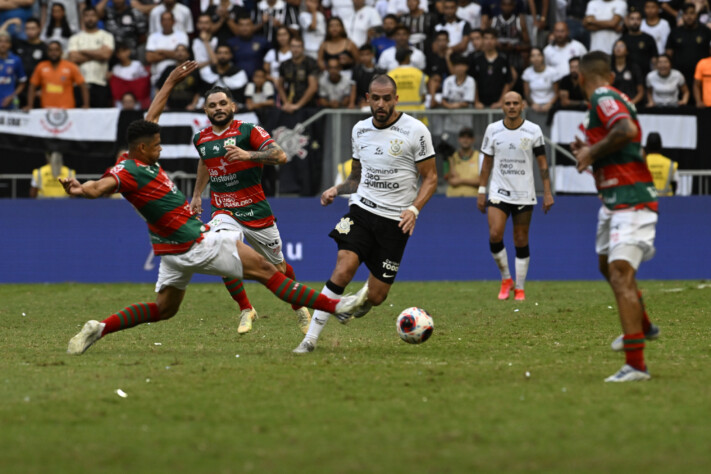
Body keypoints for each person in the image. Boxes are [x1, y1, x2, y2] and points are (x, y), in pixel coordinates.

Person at [62, 62, 369, 355]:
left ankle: (99, 328)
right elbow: (100, 186)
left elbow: (152, 115)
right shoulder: (127, 171)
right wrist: (81, 189)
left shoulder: (141, 153)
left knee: (163, 309)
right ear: (143, 148)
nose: (162, 148)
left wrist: (170, 81)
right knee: (266, 272)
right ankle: (337, 307)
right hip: (194, 242)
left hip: (171, 251)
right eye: (157, 145)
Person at [292, 74, 438, 354]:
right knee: (343, 267)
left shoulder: (416, 131)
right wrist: (337, 188)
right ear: (367, 99)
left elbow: (430, 178)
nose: (381, 104)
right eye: (376, 98)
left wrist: (414, 209)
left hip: (396, 221)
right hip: (361, 209)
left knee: (378, 296)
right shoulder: (359, 130)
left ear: (396, 99)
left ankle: (359, 301)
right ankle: (309, 340)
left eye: (387, 98)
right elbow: (355, 179)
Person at [187, 83, 314, 335]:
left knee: (279, 268)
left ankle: (298, 307)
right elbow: (205, 162)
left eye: (223, 103)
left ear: (233, 106)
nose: (219, 108)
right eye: (212, 105)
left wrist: (248, 155)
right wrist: (197, 195)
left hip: (256, 211)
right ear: (205, 110)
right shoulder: (200, 138)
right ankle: (246, 308)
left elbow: (280, 156)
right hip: (224, 209)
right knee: (221, 250)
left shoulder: (249, 131)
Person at [571, 51, 660, 382]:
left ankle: (636, 364)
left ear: (581, 77)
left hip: (631, 199)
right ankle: (644, 325)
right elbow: (616, 139)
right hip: (613, 201)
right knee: (605, 265)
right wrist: (588, 149)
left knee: (621, 274)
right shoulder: (608, 97)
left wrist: (591, 151)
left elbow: (625, 129)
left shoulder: (602, 95)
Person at [477, 91, 554, 301]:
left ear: (522, 106)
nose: (511, 107)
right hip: (498, 191)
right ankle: (506, 278)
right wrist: (481, 190)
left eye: (515, 103)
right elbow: (486, 164)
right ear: (502, 106)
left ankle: (519, 287)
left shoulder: (533, 130)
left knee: (520, 239)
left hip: (523, 193)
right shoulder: (493, 130)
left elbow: (542, 164)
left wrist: (547, 191)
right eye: (508, 103)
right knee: (495, 234)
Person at [67, 7, 114, 107]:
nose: (90, 18)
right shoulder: (75, 38)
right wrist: (98, 53)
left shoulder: (106, 36)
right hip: (79, 84)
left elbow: (106, 55)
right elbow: (73, 58)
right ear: (82, 18)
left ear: (97, 17)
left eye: (93, 15)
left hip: (100, 83)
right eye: (87, 16)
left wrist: (83, 51)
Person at [665, 2, 711, 104]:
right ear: (682, 16)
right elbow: (669, 53)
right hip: (680, 76)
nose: (689, 16)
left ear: (696, 15)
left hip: (701, 76)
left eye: (692, 13)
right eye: (686, 14)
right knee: (682, 103)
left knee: (701, 105)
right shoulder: (675, 32)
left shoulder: (705, 32)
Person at [25, 40, 89, 109]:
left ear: (61, 52)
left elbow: (83, 86)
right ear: (47, 52)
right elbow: (32, 87)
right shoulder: (41, 66)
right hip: (46, 110)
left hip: (67, 110)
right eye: (51, 50)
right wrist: (30, 105)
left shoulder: (70, 67)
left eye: (56, 50)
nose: (53, 53)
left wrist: (86, 104)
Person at [469, 29, 515, 108]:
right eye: (486, 38)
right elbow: (473, 81)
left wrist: (501, 101)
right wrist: (476, 102)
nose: (489, 41)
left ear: (496, 40)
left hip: (498, 104)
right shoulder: (476, 59)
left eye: (492, 38)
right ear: (483, 40)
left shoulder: (503, 59)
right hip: (480, 104)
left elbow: (508, 82)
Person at [145, 10, 189, 87]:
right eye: (164, 20)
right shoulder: (153, 37)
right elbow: (149, 58)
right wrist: (172, 54)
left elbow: (183, 55)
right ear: (160, 22)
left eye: (169, 19)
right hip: (157, 78)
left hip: (179, 77)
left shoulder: (182, 36)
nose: (166, 22)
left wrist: (161, 51)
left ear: (173, 21)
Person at [200, 44, 249, 110]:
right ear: (216, 55)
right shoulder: (207, 71)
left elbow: (241, 95)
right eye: (220, 53)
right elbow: (201, 92)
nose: (222, 56)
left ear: (231, 55)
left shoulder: (239, 73)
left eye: (226, 53)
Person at [278, 35, 319, 113]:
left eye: (298, 46)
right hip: (289, 104)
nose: (295, 49)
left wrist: (298, 105)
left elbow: (313, 87)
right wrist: (286, 103)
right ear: (289, 47)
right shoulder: (284, 64)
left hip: (308, 106)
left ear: (303, 48)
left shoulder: (311, 63)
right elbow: (280, 85)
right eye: (293, 46)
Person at [620, 9, 658, 79]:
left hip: (645, 75)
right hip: (628, 76)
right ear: (628, 20)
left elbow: (654, 59)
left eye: (638, 19)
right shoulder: (622, 40)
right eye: (632, 19)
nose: (635, 22)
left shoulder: (648, 38)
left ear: (641, 21)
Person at [445, 127, 480, 197]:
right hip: (452, 198)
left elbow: (481, 181)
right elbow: (448, 179)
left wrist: (460, 181)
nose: (465, 139)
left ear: (473, 140)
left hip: (473, 199)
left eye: (468, 137)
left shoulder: (479, 157)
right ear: (459, 139)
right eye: (463, 137)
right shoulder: (452, 156)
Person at [611, 39, 645, 106]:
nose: (618, 48)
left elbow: (641, 92)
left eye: (622, 46)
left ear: (627, 51)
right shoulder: (609, 68)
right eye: (616, 46)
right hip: (613, 105)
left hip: (630, 103)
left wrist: (630, 104)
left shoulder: (634, 68)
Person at [644, 131, 679, 196]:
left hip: (646, 202)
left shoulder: (642, 163)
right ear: (660, 145)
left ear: (647, 145)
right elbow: (675, 184)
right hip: (666, 202)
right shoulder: (670, 164)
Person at [0, 31, 26, 109]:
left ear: (10, 45)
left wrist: (12, 97)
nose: (3, 44)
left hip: (9, 104)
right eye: (0, 41)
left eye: (6, 42)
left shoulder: (16, 60)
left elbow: (23, 82)